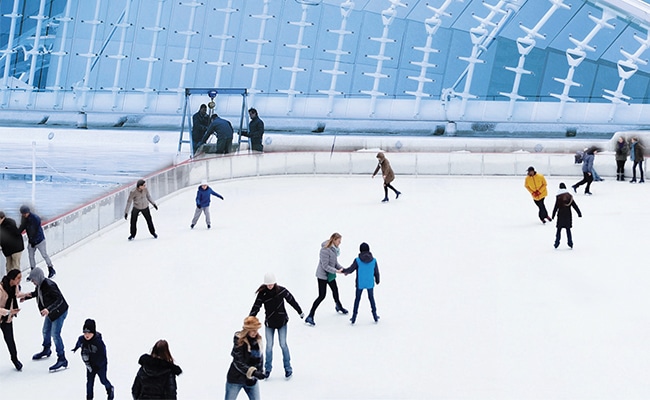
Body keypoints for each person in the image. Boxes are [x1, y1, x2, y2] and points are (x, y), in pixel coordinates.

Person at [249, 273, 303, 379]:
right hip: (270, 324)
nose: (270, 286)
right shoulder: (263, 294)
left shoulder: (281, 291)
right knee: (269, 346)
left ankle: (288, 368)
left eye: (271, 284)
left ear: (275, 282)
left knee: (283, 344)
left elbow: (291, 300)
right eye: (268, 284)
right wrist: (250, 319)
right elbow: (256, 306)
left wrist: (300, 311)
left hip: (282, 323)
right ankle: (267, 369)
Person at [22, 267, 69, 371]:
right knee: (45, 330)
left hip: (59, 312)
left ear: (38, 277)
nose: (33, 282)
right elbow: (37, 293)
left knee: (55, 334)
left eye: (33, 280)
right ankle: (46, 349)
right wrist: (26, 297)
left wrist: (48, 309)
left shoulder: (49, 285)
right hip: (51, 312)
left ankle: (62, 359)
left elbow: (59, 299)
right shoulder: (40, 285)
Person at [305, 232, 348, 326]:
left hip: (330, 275)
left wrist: (343, 269)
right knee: (321, 296)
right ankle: (310, 316)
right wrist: (336, 271)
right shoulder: (324, 250)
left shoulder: (334, 250)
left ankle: (339, 306)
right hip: (322, 276)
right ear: (334, 240)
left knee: (335, 290)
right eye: (339, 241)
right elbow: (325, 266)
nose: (340, 243)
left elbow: (335, 263)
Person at [72, 319, 114, 400]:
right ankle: (89, 397)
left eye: (89, 333)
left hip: (100, 366)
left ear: (93, 333)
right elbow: (79, 342)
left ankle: (110, 388)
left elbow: (103, 356)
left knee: (103, 380)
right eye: (85, 333)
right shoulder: (82, 339)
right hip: (90, 365)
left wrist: (98, 365)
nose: (86, 335)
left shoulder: (99, 343)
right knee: (89, 383)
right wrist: (75, 348)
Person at [225, 316, 266, 400]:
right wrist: (254, 372)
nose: (255, 332)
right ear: (247, 329)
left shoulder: (257, 340)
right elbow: (238, 362)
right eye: (253, 330)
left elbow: (260, 358)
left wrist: (260, 371)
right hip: (236, 379)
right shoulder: (239, 340)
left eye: (257, 329)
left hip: (251, 380)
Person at [343, 242, 380, 324]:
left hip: (360, 283)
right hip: (370, 283)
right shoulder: (374, 260)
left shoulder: (357, 260)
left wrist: (344, 271)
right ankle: (375, 316)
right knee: (371, 298)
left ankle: (353, 317)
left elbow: (351, 269)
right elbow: (376, 272)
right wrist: (377, 280)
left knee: (357, 299)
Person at [18, 205, 55, 278]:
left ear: (28, 212)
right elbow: (23, 226)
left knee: (44, 254)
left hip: (39, 240)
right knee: (31, 257)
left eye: (25, 213)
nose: (24, 215)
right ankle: (33, 271)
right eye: (22, 214)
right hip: (31, 241)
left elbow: (34, 231)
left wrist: (33, 241)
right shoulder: (24, 218)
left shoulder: (35, 218)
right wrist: (17, 232)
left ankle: (51, 268)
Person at [1, 269, 25, 371]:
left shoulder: (14, 286)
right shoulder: (1, 290)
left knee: (10, 340)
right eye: (18, 278)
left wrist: (27, 295)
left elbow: (16, 295)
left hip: (7, 319)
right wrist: (9, 312)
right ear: (12, 279)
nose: (20, 280)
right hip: (5, 314)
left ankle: (15, 359)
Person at [551, 183, 582, 249]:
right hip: (568, 215)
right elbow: (574, 205)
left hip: (560, 215)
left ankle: (556, 243)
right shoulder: (569, 196)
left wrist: (553, 215)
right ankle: (570, 243)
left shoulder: (558, 197)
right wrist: (579, 213)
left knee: (559, 230)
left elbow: (555, 207)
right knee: (568, 230)